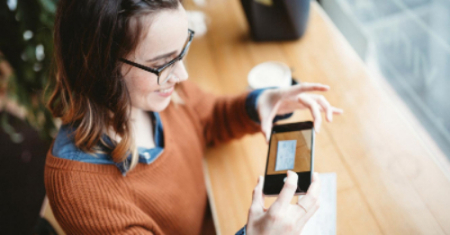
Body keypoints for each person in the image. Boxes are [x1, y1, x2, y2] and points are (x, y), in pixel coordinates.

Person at [45, 0, 343, 234]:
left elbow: (209, 117)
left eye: (182, 49)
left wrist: (261, 102)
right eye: (163, 63)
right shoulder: (81, 193)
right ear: (99, 68)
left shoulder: (158, 91)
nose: (183, 75)